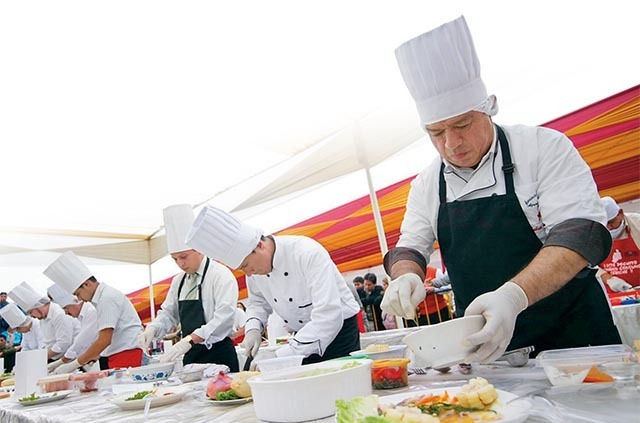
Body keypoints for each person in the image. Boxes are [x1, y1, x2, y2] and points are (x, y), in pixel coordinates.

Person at [382, 16, 621, 363]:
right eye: (436, 132)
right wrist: (405, 277)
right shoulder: (428, 183)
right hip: (488, 351)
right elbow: (410, 247)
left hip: (576, 341)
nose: (451, 143)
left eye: (462, 124)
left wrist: (512, 297)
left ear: (488, 108)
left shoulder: (543, 148)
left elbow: (580, 233)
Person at [186, 206, 361, 366]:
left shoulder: (307, 252)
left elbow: (328, 314)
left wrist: (280, 356)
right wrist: (253, 329)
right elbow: (258, 303)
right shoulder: (255, 269)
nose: (248, 274)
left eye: (246, 265)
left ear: (259, 245)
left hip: (339, 333)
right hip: (301, 337)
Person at [138, 205, 239, 370]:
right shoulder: (179, 281)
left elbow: (224, 318)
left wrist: (191, 339)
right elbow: (169, 314)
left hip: (220, 354)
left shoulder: (220, 275)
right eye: (175, 259)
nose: (180, 264)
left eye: (184, 257)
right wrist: (153, 329)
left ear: (199, 249)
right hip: (191, 357)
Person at [44, 251, 143, 373]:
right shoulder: (102, 298)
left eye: (78, 294)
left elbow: (104, 340)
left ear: (86, 284)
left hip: (127, 355)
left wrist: (74, 364)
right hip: (119, 354)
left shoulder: (106, 298)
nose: (79, 299)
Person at [8, 282, 78, 362]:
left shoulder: (58, 314)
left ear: (37, 307)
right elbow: (46, 343)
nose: (32, 316)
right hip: (54, 357)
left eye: (31, 312)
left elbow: (63, 343)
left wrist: (41, 358)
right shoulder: (42, 319)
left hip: (71, 358)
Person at [46, 284, 99, 373]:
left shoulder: (91, 312)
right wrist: (62, 361)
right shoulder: (82, 317)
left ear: (75, 302)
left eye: (66, 308)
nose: (66, 313)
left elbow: (82, 341)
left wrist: (64, 362)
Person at [598, 197, 639, 292]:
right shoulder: (594, 232)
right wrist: (609, 279)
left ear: (620, 213)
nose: (608, 227)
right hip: (613, 294)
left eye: (611, 222)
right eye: (604, 224)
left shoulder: (637, 222)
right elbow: (588, 264)